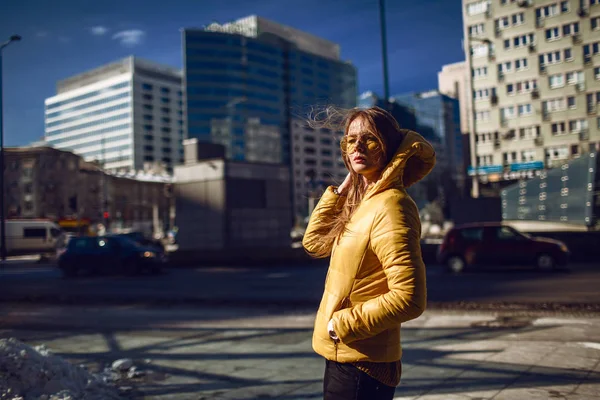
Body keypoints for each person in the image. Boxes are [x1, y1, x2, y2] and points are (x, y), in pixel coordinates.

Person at [302, 106, 436, 400]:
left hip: (362, 363)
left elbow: (409, 297)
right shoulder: (362, 204)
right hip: (344, 354)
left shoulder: (392, 206)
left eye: (369, 138)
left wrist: (342, 325)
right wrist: (341, 192)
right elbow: (313, 243)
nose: (358, 146)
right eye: (351, 140)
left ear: (388, 147)